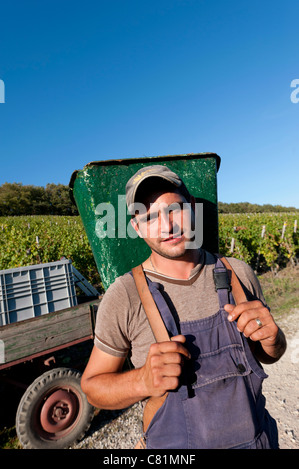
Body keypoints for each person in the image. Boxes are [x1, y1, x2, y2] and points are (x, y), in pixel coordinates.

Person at [81, 165, 287, 449]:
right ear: (136, 227)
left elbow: (270, 355)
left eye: (174, 209)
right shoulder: (124, 296)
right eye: (150, 216)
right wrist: (141, 381)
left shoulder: (238, 274)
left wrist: (274, 340)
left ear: (192, 208)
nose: (167, 226)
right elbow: (92, 388)